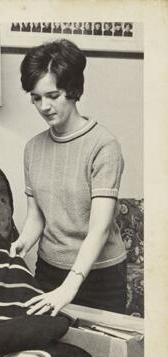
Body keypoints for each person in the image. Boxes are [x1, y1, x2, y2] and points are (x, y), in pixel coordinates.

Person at [14, 39, 127, 315]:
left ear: (73, 90)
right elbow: (37, 216)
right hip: (48, 271)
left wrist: (69, 287)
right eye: (36, 98)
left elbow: (99, 229)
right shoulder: (33, 148)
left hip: (99, 277)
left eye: (53, 96)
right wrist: (21, 245)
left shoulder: (103, 145)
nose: (44, 106)